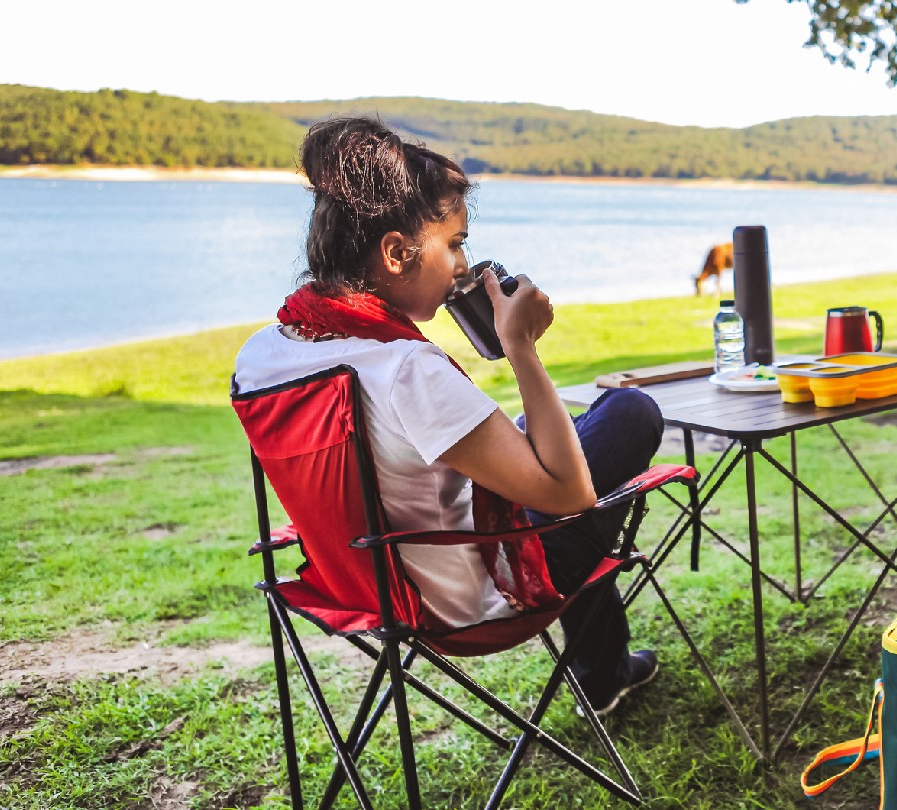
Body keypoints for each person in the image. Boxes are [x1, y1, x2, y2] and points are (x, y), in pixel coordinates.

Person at [232, 116, 663, 716]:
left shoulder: (263, 354)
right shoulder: (406, 369)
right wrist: (521, 349)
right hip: (466, 599)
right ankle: (603, 668)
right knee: (628, 413)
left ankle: (604, 667)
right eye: (455, 244)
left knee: (533, 436)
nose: (464, 267)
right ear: (395, 252)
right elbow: (570, 494)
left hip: (361, 579)